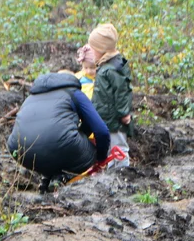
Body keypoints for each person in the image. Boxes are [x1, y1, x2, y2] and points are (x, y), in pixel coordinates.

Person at [7, 72, 110, 190]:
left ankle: (46, 180)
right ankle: (64, 177)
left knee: (51, 144)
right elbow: (102, 131)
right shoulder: (74, 93)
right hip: (59, 147)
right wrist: (101, 159)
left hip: (20, 151)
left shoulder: (30, 98)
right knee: (68, 146)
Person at [76, 23, 133, 168]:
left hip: (115, 119)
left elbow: (122, 91)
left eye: (93, 50)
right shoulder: (104, 66)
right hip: (106, 117)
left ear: (101, 50)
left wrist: (124, 112)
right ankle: (111, 173)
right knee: (109, 148)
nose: (92, 53)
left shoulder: (112, 69)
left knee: (119, 146)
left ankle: (123, 173)